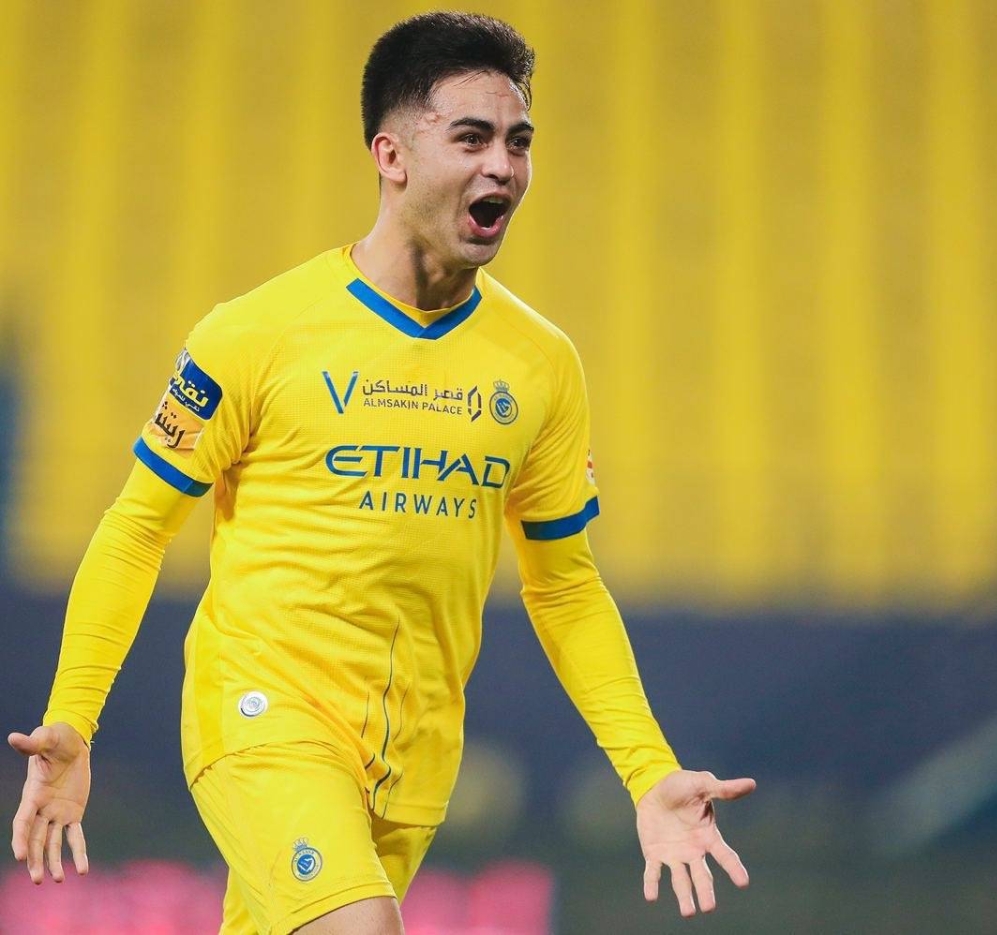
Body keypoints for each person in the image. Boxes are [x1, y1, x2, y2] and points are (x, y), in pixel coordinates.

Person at [8, 12, 754, 934]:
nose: (503, 166)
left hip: (415, 761)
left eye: (519, 142)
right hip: (263, 718)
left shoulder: (542, 365)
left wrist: (648, 771)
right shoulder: (254, 334)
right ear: (391, 155)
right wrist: (73, 720)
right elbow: (136, 527)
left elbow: (564, 583)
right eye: (472, 138)